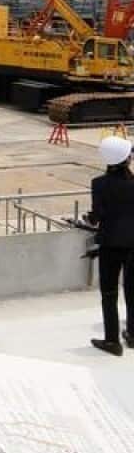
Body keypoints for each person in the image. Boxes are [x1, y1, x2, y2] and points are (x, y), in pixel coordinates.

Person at [87, 136, 134, 357]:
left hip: (110, 244)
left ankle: (112, 341)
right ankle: (132, 335)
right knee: (132, 291)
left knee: (109, 294)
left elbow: (96, 218)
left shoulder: (99, 184)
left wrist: (89, 219)